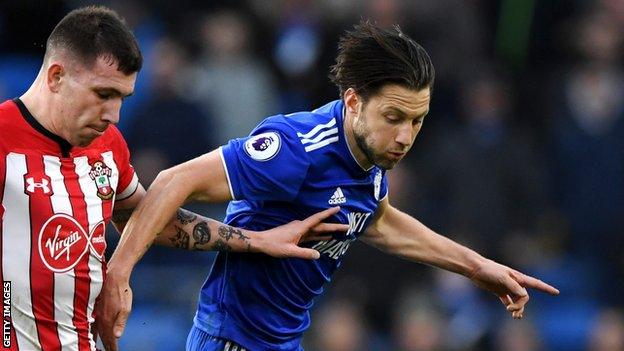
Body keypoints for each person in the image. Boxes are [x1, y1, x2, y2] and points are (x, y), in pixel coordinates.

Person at [100, 21, 560, 351]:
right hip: (232, 339)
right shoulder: (295, 149)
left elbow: (377, 221)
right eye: (394, 118)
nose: (405, 137)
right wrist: (119, 275)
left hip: (283, 340)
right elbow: (172, 181)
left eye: (417, 121)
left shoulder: (370, 155)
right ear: (354, 102)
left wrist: (477, 268)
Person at [0, 6, 348, 351]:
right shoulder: (4, 139)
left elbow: (148, 219)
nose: (114, 115)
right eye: (103, 94)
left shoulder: (106, 145)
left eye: (123, 98)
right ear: (56, 76)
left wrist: (258, 240)